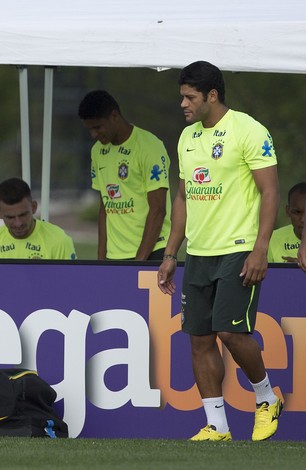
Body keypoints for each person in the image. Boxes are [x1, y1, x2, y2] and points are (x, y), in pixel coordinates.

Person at [157, 61, 282, 441]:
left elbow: (270, 191)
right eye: (181, 96)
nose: (183, 103)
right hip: (199, 253)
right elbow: (182, 196)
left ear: (212, 95)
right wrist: (170, 253)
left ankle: (266, 397)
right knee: (199, 339)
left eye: (189, 96)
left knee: (229, 333)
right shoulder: (187, 137)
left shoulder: (249, 129)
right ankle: (217, 426)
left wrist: (261, 248)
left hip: (239, 250)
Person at [78, 90, 171, 261]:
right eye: (89, 129)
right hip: (116, 256)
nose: (94, 134)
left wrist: (139, 261)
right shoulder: (97, 151)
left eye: (97, 127)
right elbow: (104, 207)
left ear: (114, 116)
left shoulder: (149, 146)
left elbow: (158, 210)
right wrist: (101, 259)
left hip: (152, 251)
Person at [0, 177, 76, 260]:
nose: (18, 223)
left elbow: (71, 280)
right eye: (10, 217)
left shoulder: (60, 241)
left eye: (23, 215)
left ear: (33, 207)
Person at [268, 182, 306, 263]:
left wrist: (298, 268)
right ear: (288, 211)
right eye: (297, 212)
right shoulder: (271, 239)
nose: (303, 219)